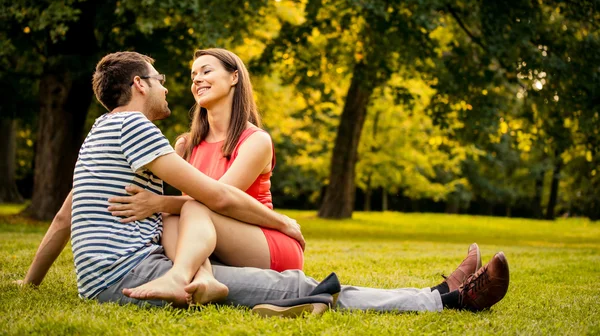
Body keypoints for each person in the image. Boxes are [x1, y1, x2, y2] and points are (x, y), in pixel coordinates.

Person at [17, 51, 510, 314]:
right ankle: (446, 298)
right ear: (141, 86)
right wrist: (283, 220)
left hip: (115, 275)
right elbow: (211, 197)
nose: (173, 86)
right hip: (132, 275)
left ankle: (442, 292)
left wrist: (30, 281)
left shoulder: (101, 132)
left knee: (208, 224)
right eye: (164, 78)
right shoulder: (136, 127)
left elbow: (65, 215)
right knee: (295, 286)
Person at [106, 48, 302, 274]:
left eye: (206, 71)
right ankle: (199, 276)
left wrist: (158, 203)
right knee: (171, 218)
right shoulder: (185, 145)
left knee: (188, 209)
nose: (197, 79)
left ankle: (182, 276)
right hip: (212, 240)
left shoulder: (255, 141)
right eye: (193, 76)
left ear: (234, 77)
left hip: (264, 243)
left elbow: (219, 200)